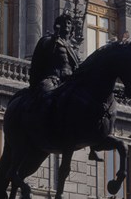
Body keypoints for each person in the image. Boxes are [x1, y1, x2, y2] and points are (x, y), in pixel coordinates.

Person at [28, 13, 103, 162]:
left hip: (69, 82)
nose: (67, 26)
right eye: (64, 23)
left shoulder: (73, 48)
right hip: (52, 79)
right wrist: (53, 41)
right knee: (45, 96)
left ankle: (94, 144)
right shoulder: (48, 41)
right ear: (58, 25)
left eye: (69, 23)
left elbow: (77, 68)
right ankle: (40, 126)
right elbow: (38, 62)